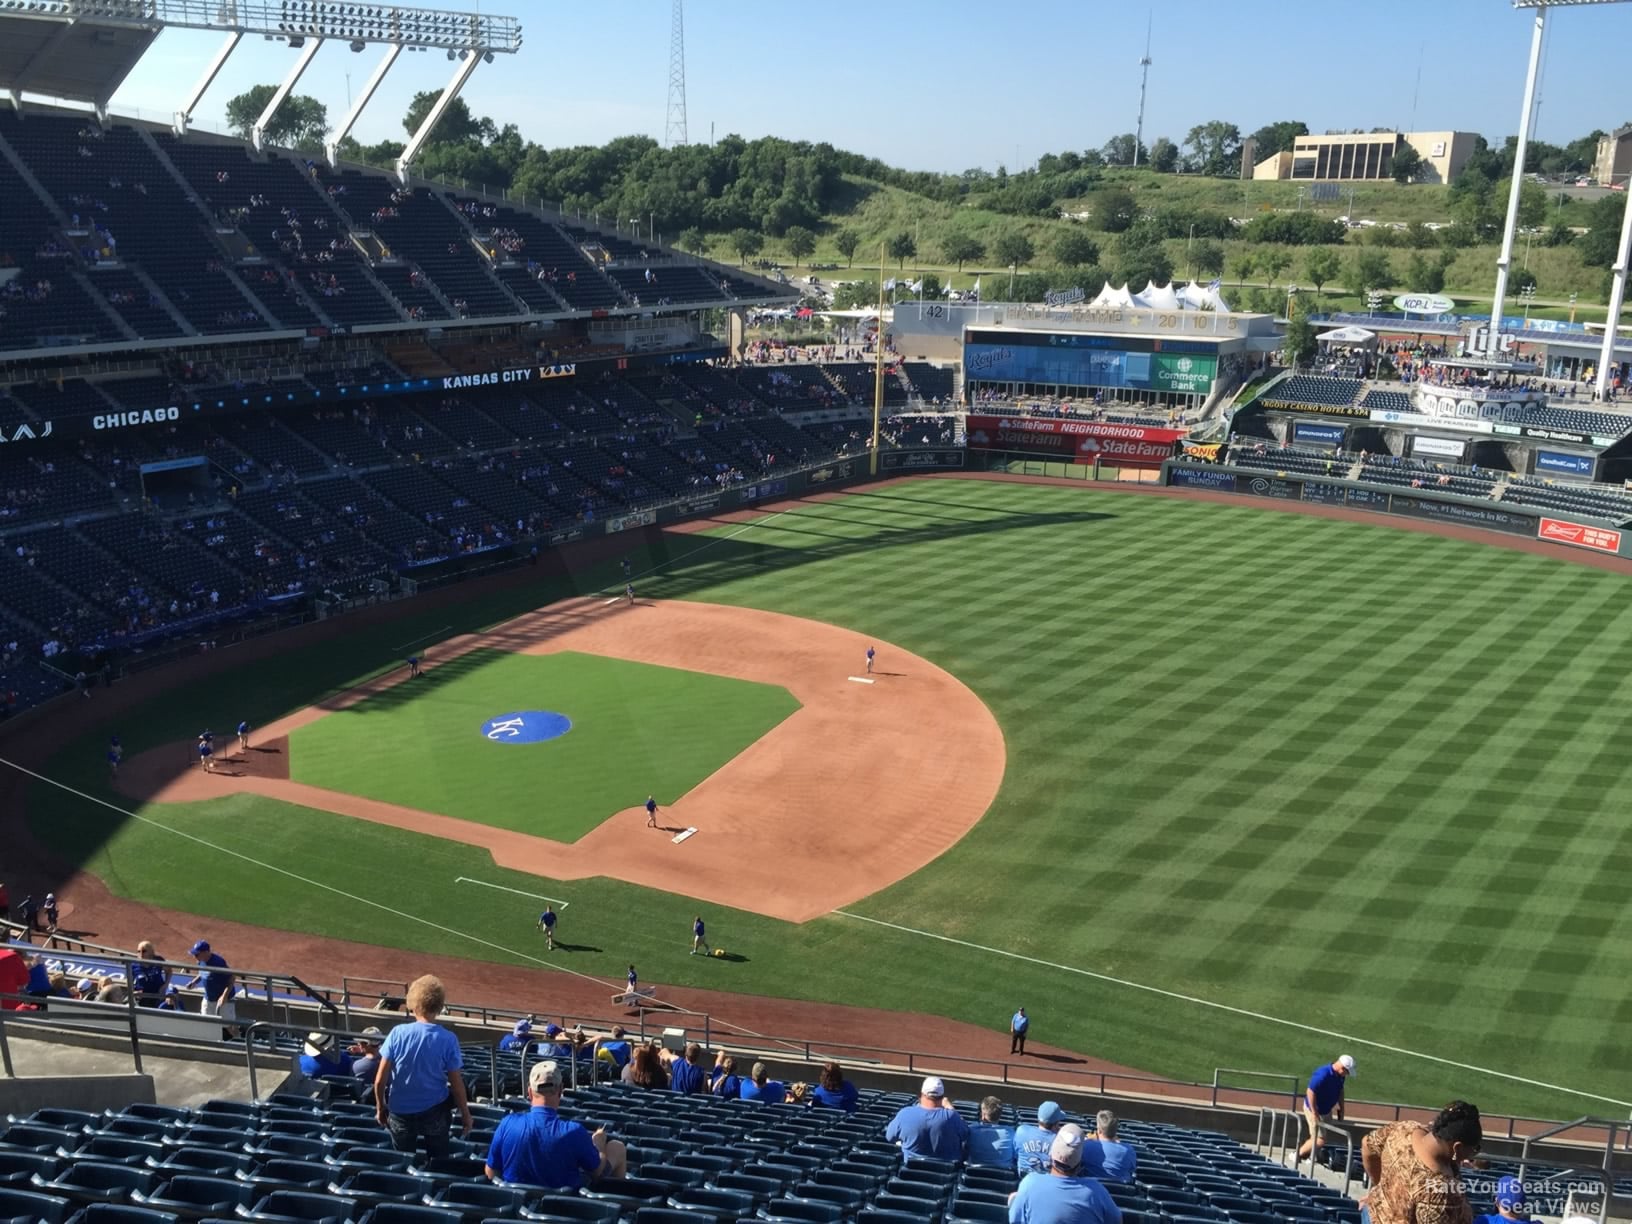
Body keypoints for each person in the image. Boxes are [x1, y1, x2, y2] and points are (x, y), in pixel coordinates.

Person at [485, 1060, 627, 1188]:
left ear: (529, 1092)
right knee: (617, 1147)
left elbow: (491, 1172)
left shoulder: (507, 1123)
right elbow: (597, 1171)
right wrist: (599, 1144)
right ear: (560, 1090)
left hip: (516, 1210)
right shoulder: (573, 1131)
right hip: (565, 1211)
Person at [374, 974, 473, 1158]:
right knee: (438, 1161)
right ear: (439, 1004)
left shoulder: (397, 1033)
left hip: (399, 1110)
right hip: (434, 1110)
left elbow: (380, 1080)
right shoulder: (448, 1038)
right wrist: (465, 1114)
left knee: (403, 1162)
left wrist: (380, 1108)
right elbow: (457, 1085)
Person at [1360, 1100, 1483, 1224]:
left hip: (1373, 1212)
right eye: (1474, 1149)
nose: (1473, 1154)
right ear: (1457, 1147)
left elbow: (1367, 1144)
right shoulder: (1438, 1189)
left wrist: (1379, 1186)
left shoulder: (1404, 1129)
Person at [1007, 1129, 1121, 1224]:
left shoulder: (1029, 1183)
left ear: (1050, 1156)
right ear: (1080, 1163)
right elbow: (1116, 1221)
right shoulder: (1097, 1192)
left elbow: (1015, 1221)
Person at [886, 1076, 969, 1162]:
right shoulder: (952, 1116)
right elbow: (965, 1134)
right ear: (942, 1097)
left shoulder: (905, 1113)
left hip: (911, 1173)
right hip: (945, 1172)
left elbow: (890, 1137)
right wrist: (950, 1107)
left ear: (922, 1094)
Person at [1298, 1054, 1355, 1164]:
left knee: (1316, 1135)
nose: (1347, 1075)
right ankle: (1297, 1154)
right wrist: (1314, 1113)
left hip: (1326, 1110)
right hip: (1313, 1109)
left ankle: (1311, 1155)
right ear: (1342, 1068)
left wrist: (1342, 1108)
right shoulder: (1323, 1074)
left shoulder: (1340, 1076)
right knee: (1320, 1139)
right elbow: (1310, 1092)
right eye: (1347, 1072)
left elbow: (1340, 1091)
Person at [186, 941, 236, 1033]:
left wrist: (224, 996)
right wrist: (194, 982)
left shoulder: (218, 963)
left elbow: (232, 978)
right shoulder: (200, 961)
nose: (195, 957)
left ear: (206, 953)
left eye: (197, 954)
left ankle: (239, 1040)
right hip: (209, 998)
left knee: (228, 1026)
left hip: (224, 1000)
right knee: (206, 1022)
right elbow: (202, 973)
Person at [1082, 1110, 1137, 1184]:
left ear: (1099, 1129)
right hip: (1120, 1192)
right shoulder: (1129, 1150)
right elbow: (1131, 1169)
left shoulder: (1085, 1146)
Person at [1015, 1101, 1067, 1174]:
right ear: (1056, 1124)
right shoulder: (1060, 1142)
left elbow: (1015, 1155)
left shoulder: (1021, 1131)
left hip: (1022, 1182)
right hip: (1046, 1183)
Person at [968, 1095, 1017, 1169]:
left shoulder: (971, 1130)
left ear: (983, 1115)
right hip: (1003, 1178)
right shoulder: (1011, 1133)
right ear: (1000, 1115)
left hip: (974, 1177)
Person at [131, 941, 170, 1008]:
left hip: (158, 996)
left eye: (144, 951)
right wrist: (134, 992)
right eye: (138, 951)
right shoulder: (133, 965)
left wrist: (165, 985)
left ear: (151, 952)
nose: (141, 954)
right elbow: (129, 983)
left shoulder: (158, 960)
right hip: (142, 999)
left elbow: (169, 971)